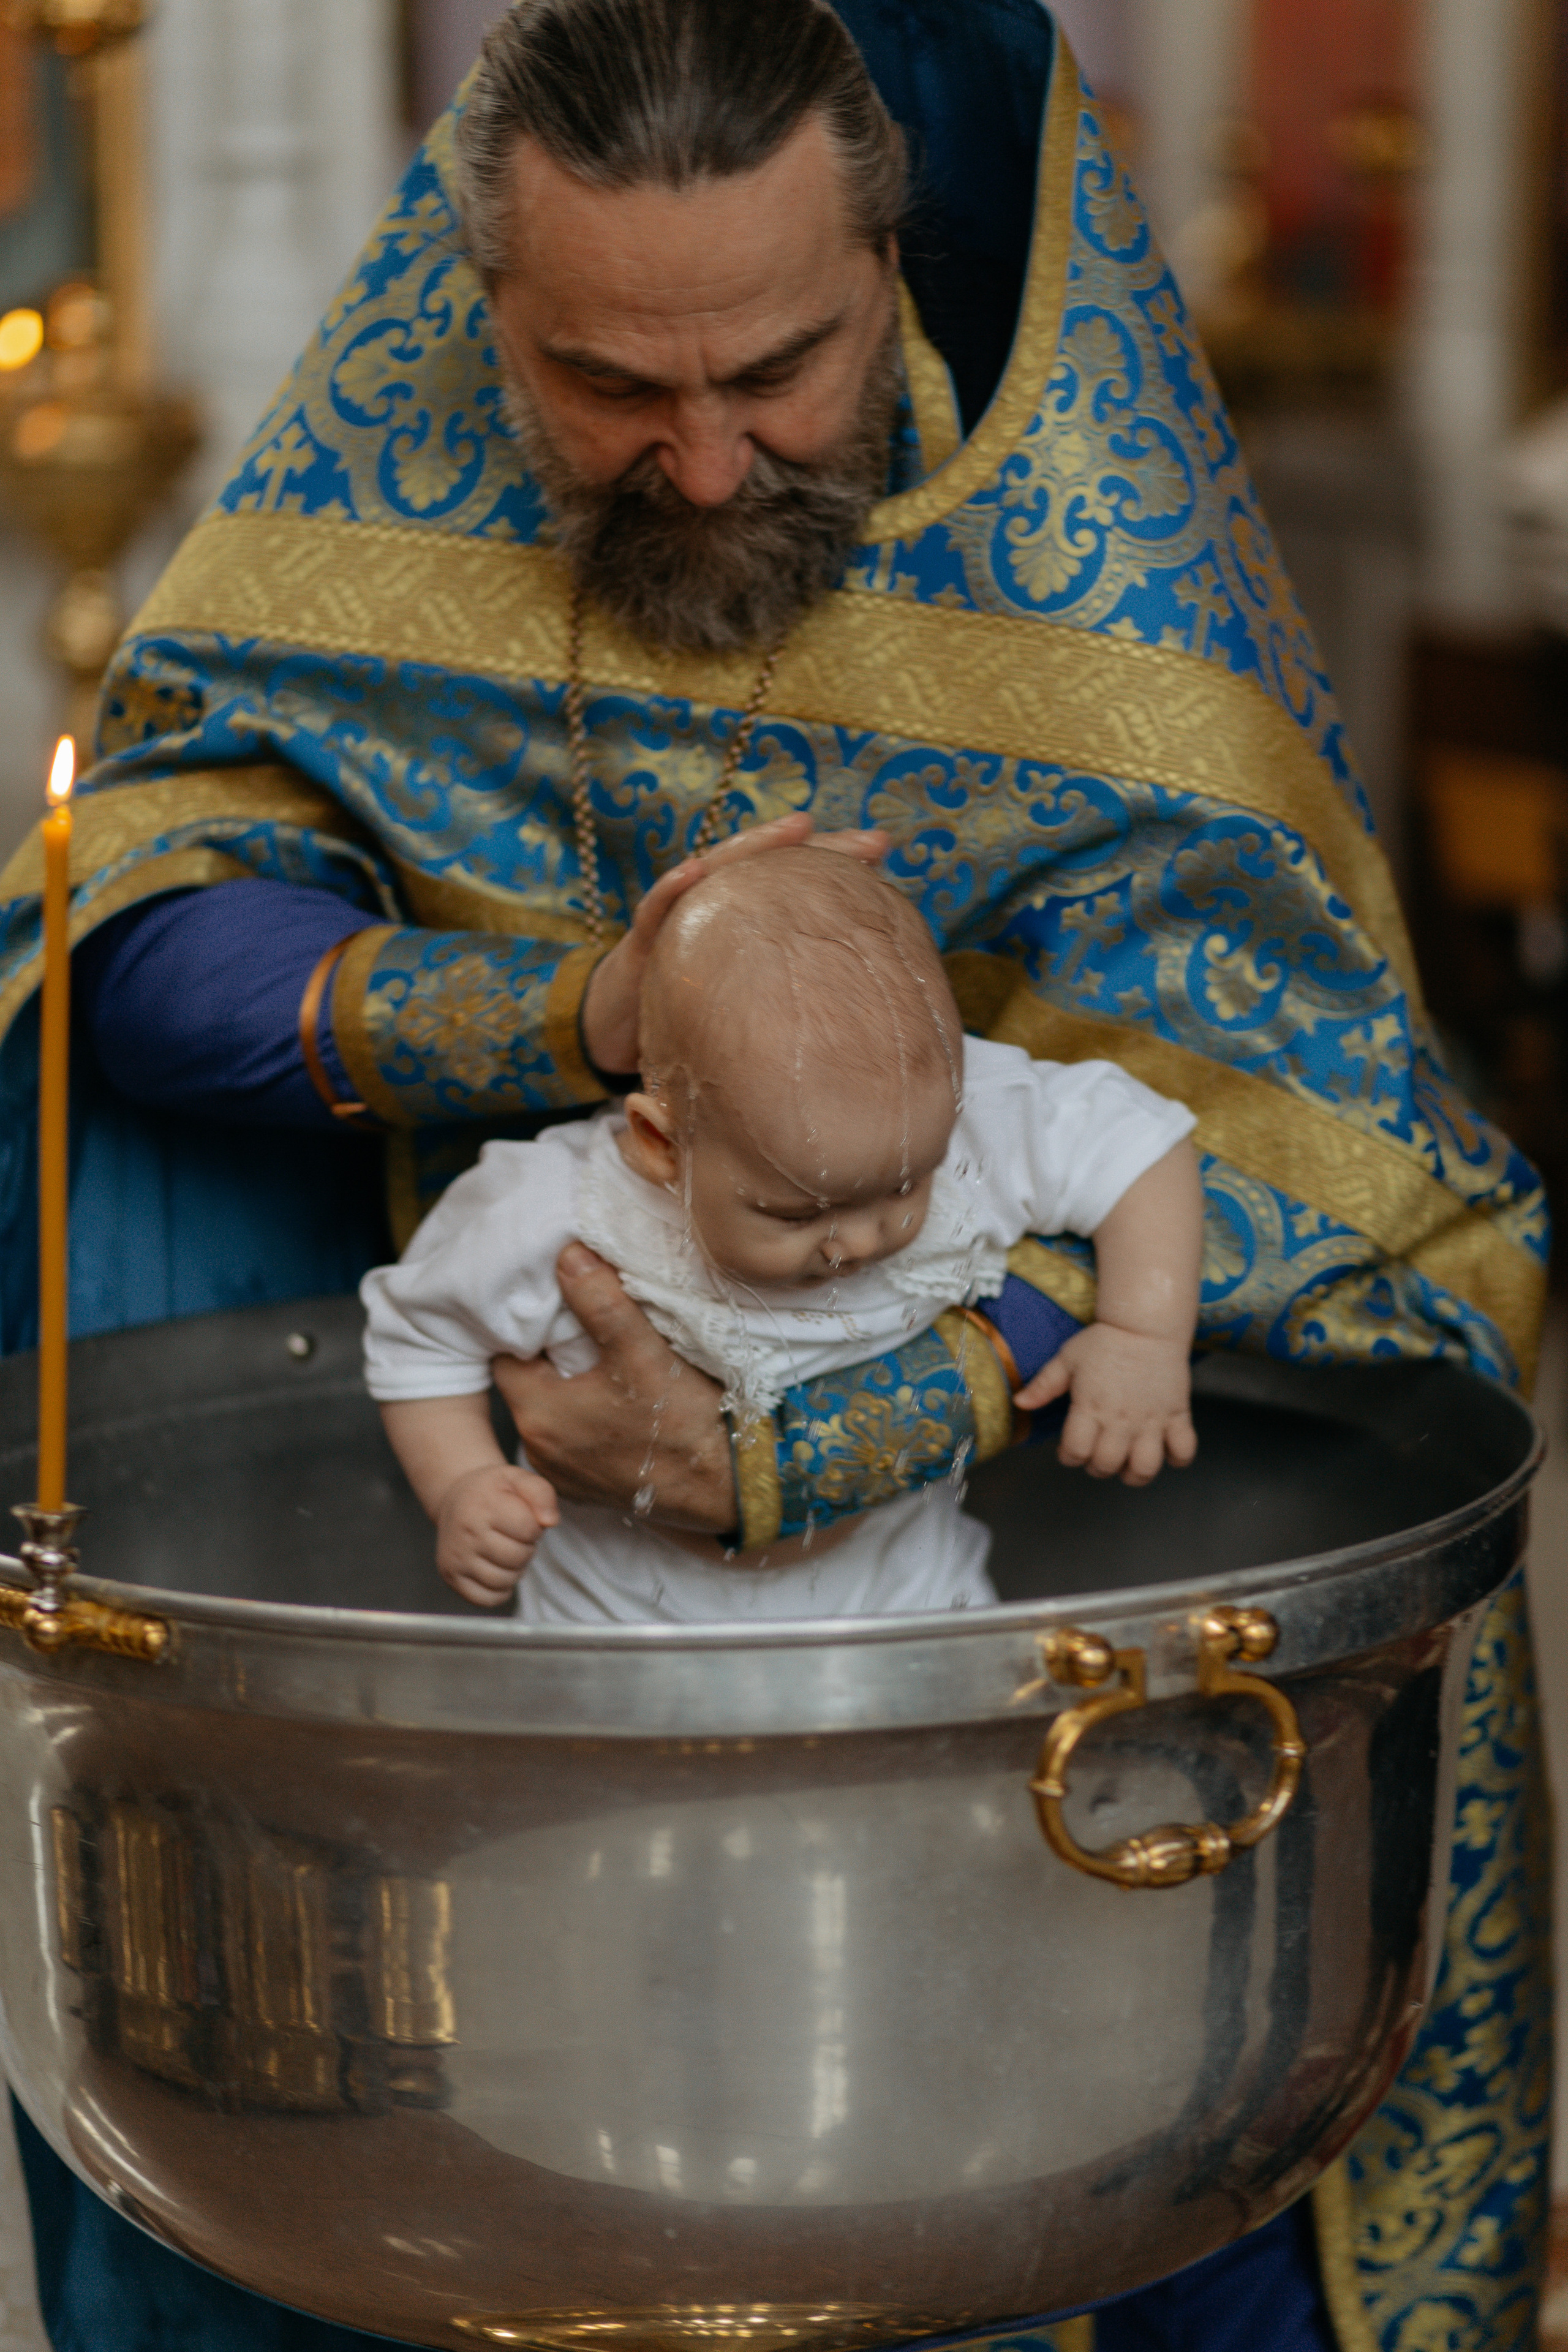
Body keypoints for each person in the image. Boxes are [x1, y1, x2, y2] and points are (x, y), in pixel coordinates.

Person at [0, 1, 1548, 2347]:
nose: (710, 468)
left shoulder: (1090, 610)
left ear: (888, 267)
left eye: (781, 370)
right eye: (607, 385)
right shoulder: (380, 520)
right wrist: (579, 1019)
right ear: (481, 302)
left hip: (1035, 1702)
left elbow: (1371, 1223)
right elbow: (135, 938)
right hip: (506, 1757)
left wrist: (820, 1437)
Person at [361, 850, 1200, 1618]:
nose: (858, 1242)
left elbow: (1138, 1143)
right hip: (618, 1623)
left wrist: (1142, 1333)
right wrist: (464, 1484)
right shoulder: (549, 1216)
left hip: (907, 1600)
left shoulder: (958, 1121)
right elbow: (420, 1340)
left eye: (903, 1187)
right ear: (662, 1143)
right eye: (797, 1214)